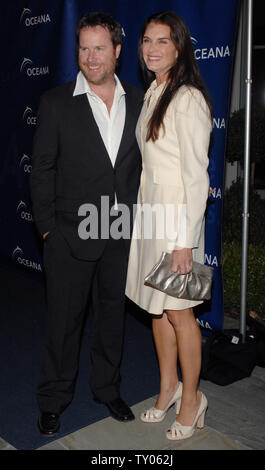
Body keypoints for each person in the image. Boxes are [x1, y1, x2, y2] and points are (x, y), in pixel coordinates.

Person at [30, 11, 144, 436]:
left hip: (119, 231)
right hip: (68, 235)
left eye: (99, 48)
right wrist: (46, 230)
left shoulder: (140, 99)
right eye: (83, 48)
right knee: (64, 323)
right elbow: (41, 170)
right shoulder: (56, 102)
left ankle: (106, 387)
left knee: (112, 317)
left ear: (117, 51)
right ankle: (52, 400)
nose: (91, 58)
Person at [126, 11, 212, 441]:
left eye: (162, 41)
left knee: (181, 315)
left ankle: (194, 399)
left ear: (179, 47)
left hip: (176, 225)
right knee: (156, 310)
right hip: (151, 219)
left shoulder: (188, 98)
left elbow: (197, 178)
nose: (152, 48)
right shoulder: (153, 93)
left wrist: (183, 243)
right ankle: (168, 389)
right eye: (146, 40)